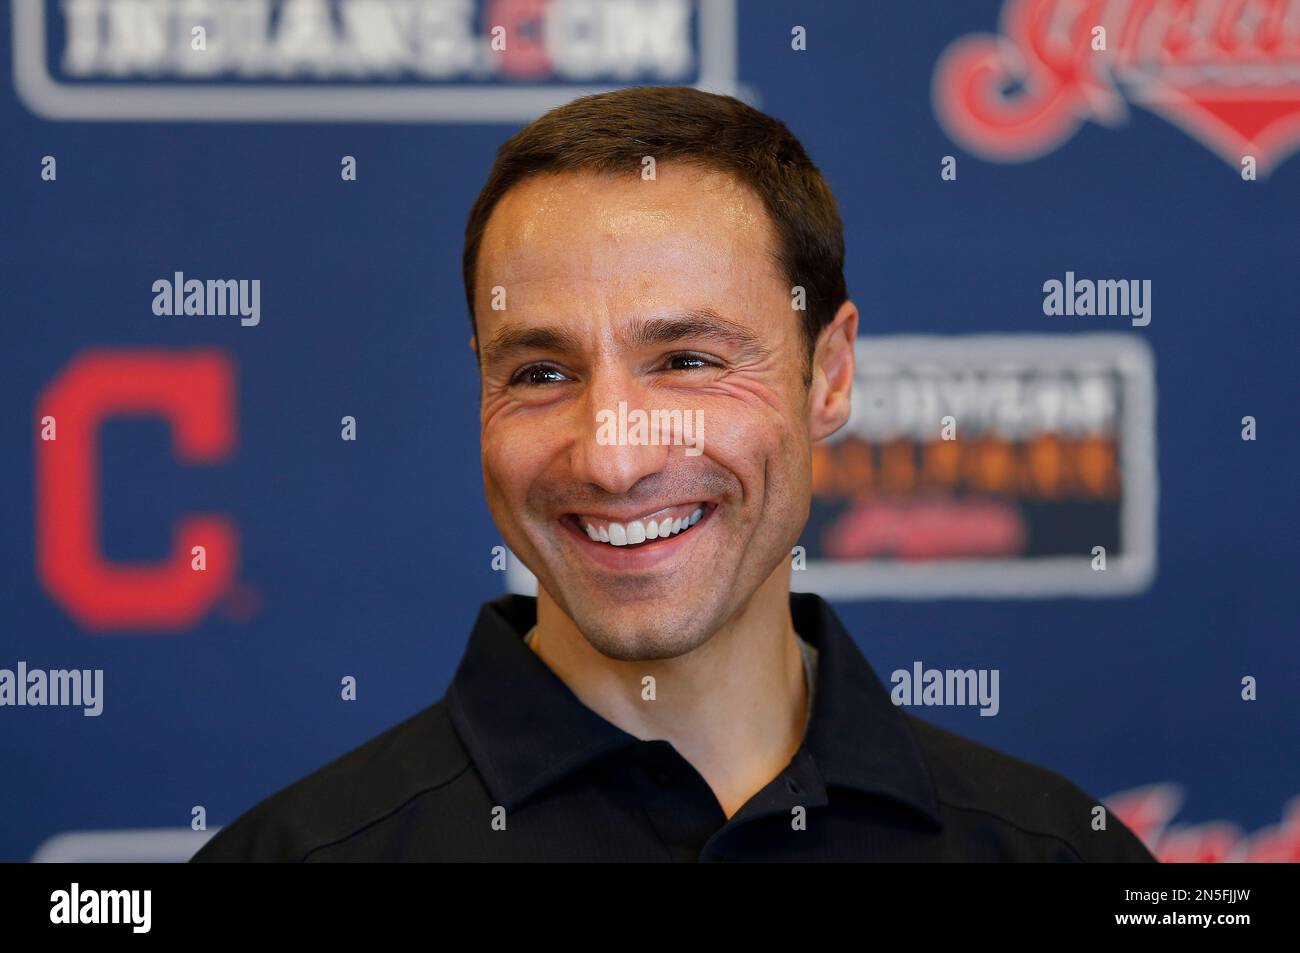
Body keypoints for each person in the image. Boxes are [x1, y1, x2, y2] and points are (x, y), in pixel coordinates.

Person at [191, 86, 1155, 862]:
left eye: (688, 361)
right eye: (541, 373)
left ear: (829, 375)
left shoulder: (1057, 850)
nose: (613, 457)